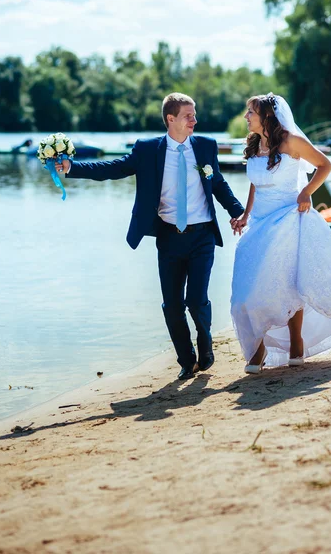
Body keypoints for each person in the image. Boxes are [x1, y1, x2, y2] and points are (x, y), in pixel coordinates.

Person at [55, 93, 244, 381]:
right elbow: (112, 169)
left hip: (202, 235)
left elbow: (217, 181)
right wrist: (72, 167)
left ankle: (205, 341)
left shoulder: (206, 146)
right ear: (171, 119)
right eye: (188, 116)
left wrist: (236, 210)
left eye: (194, 115)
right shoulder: (147, 150)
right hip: (168, 237)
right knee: (171, 304)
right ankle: (186, 359)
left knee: (196, 300)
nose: (195, 120)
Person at [230, 93, 331, 374]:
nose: (246, 117)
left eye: (250, 112)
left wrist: (306, 192)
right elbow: (256, 183)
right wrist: (245, 215)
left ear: (266, 116)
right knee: (247, 291)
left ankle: (295, 344)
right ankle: (259, 344)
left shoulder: (291, 142)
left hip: (288, 219)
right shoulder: (254, 145)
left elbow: (325, 165)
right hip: (259, 223)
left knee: (287, 284)